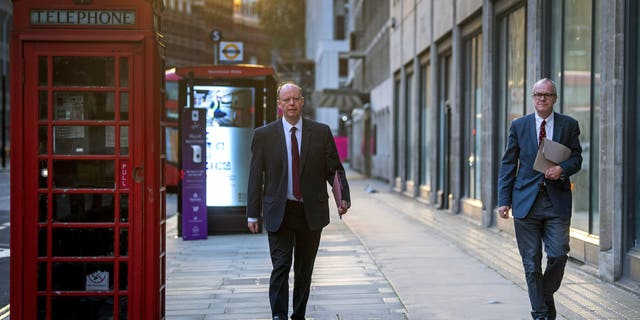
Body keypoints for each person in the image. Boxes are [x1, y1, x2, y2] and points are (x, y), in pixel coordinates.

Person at [246, 82, 351, 320]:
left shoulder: (321, 132)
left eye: (296, 99)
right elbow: (255, 175)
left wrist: (342, 198)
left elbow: (334, 169)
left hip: (310, 212)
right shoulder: (264, 135)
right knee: (281, 266)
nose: (291, 103)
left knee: (304, 271)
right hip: (279, 212)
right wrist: (253, 214)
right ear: (279, 105)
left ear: (302, 101)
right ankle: (279, 315)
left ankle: (298, 316)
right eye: (287, 100)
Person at [497, 78, 582, 320]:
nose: (541, 98)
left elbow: (577, 158)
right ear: (532, 98)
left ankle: (543, 296)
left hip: (556, 202)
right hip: (525, 203)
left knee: (558, 255)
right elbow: (508, 164)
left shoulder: (569, 125)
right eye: (537, 94)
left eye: (547, 94)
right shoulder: (519, 126)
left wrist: (562, 169)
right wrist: (504, 200)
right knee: (531, 264)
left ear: (554, 98)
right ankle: (541, 314)